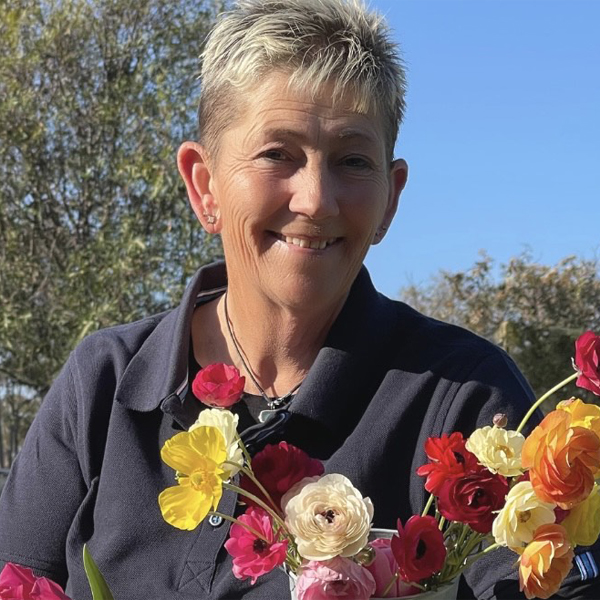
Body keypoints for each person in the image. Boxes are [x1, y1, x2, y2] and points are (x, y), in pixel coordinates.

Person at [0, 1, 598, 598]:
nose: (315, 199)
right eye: (276, 154)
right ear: (203, 186)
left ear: (391, 199)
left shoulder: (462, 400)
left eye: (352, 161)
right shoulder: (104, 382)